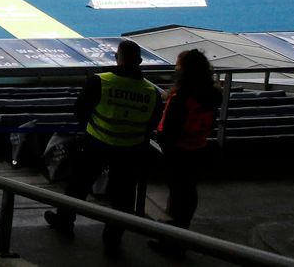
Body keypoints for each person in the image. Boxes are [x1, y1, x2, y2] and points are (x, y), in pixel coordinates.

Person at [44, 40, 163, 255]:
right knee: (124, 197)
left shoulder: (100, 81)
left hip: (96, 143)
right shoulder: (151, 92)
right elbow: (153, 123)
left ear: (117, 58)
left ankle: (65, 220)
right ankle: (113, 238)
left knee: (78, 186)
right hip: (131, 149)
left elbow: (80, 111)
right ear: (140, 61)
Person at [150, 49, 221, 256]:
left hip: (178, 151)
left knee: (179, 194)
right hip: (197, 147)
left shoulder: (182, 97)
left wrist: (161, 139)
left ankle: (173, 241)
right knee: (187, 191)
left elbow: (170, 128)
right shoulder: (211, 93)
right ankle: (180, 234)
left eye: (178, 66)